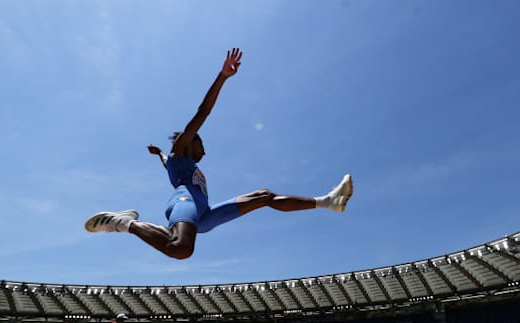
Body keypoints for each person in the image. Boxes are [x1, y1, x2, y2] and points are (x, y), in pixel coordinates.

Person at [84, 48, 353, 259]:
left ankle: (327, 201)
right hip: (186, 202)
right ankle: (122, 223)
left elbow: (166, 161)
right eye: (201, 146)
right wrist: (222, 77)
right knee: (180, 249)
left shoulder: (174, 159)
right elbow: (203, 112)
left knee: (265, 196)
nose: (205, 151)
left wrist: (158, 155)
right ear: (191, 142)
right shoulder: (181, 150)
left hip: (205, 213)